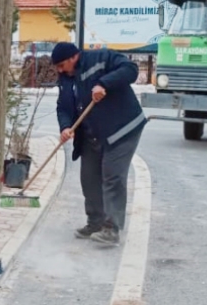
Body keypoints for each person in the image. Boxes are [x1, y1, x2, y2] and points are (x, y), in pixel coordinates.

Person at [53, 42, 146, 247]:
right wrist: (65, 127)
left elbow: (130, 70)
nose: (59, 70)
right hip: (92, 134)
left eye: (61, 65)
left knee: (112, 175)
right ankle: (95, 223)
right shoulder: (65, 80)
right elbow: (63, 107)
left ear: (73, 57)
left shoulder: (100, 58)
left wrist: (104, 83)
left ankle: (111, 229)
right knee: (89, 178)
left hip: (122, 128)